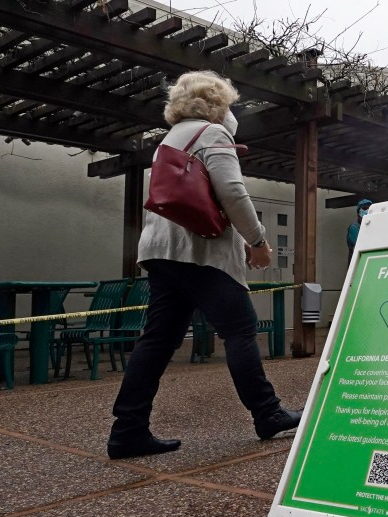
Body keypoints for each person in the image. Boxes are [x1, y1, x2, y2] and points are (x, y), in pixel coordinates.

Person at [107, 70, 301, 460]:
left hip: (161, 251)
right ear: (218, 105)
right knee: (241, 330)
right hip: (200, 251)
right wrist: (258, 240)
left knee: (157, 340)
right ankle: (267, 414)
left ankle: (127, 430)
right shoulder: (213, 134)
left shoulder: (170, 139)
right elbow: (232, 191)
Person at [346, 198, 372, 264]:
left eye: (369, 208)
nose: (367, 210)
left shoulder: (369, 226)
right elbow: (361, 244)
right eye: (365, 208)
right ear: (359, 212)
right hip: (357, 262)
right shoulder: (354, 227)